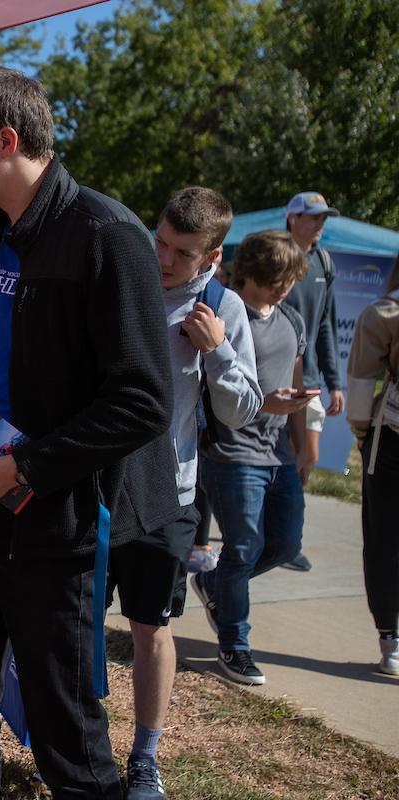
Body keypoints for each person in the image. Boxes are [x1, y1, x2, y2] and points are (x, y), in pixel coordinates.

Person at [0, 68, 177, 799]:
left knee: (66, 739)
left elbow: (142, 401)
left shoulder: (106, 235)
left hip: (56, 529)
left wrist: (18, 469)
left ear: (8, 140)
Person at [107, 187, 261, 798]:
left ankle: (145, 758)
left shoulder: (222, 308)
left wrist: (217, 349)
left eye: (181, 252)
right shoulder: (122, 281)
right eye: (160, 242)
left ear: (213, 257)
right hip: (92, 484)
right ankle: (75, 741)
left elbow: (242, 410)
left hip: (167, 496)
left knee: (150, 627)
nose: (164, 258)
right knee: (77, 623)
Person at [190, 231, 315, 686]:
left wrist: (305, 446)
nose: (283, 288)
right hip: (231, 450)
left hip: (277, 453)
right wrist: (266, 404)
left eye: (289, 279)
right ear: (253, 272)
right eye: (274, 279)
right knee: (241, 549)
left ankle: (214, 585)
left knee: (284, 545)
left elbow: (295, 380)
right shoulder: (224, 312)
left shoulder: (292, 320)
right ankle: (235, 646)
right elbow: (212, 389)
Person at [281, 192, 343, 572]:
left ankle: (287, 537)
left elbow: (326, 326)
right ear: (293, 219)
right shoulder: (275, 255)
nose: (320, 225)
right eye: (314, 217)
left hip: (312, 377)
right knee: (276, 457)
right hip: (273, 377)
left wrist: (334, 381)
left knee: (307, 457)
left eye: (324, 219)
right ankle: (280, 537)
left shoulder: (323, 261)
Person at [345, 254, 399, 676]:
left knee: (384, 537)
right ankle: (391, 638)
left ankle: (391, 638)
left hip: (390, 436)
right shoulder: (387, 312)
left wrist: (361, 429)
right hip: (391, 436)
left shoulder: (386, 311)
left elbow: (363, 379)